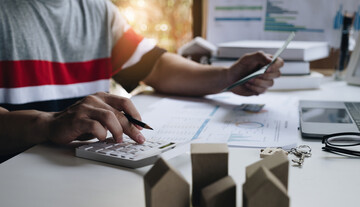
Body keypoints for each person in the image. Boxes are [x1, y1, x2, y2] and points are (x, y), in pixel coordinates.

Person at [0, 0, 283, 160]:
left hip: (76, 170)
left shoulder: (97, 11)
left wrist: (228, 76)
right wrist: (47, 123)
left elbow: (156, 66)